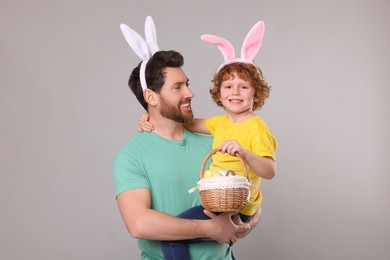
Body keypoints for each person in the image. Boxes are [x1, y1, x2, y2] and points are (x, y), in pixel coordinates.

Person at [114, 17, 260, 259]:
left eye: (187, 84)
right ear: (151, 97)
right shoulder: (131, 157)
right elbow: (139, 223)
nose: (190, 93)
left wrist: (247, 222)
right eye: (177, 87)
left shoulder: (216, 143)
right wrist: (211, 229)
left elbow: (251, 199)